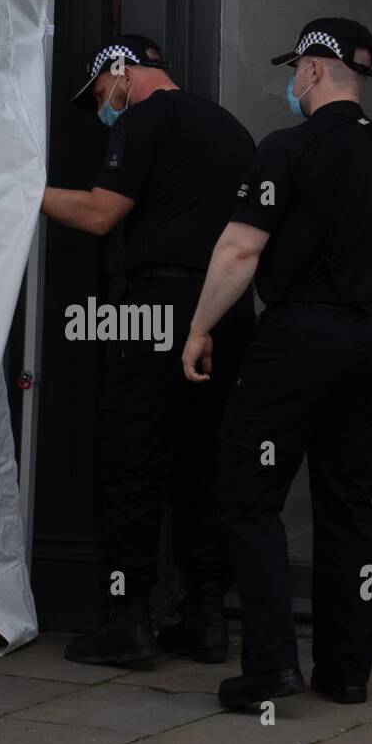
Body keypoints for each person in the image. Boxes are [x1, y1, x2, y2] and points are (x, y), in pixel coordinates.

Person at [181, 18, 372, 707]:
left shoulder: (284, 150)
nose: (291, 81)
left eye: (296, 68)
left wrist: (200, 328)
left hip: (294, 342)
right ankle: (347, 672)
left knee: (249, 497)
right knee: (348, 508)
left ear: (318, 70)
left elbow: (239, 252)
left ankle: (270, 666)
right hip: (363, 347)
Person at [41, 35, 255, 666]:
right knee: (203, 464)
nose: (103, 107)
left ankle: (128, 616)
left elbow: (101, 214)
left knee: (134, 459)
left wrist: (18, 194)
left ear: (122, 73)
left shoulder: (143, 119)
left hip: (155, 307)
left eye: (102, 93)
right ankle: (206, 615)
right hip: (227, 308)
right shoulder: (229, 127)